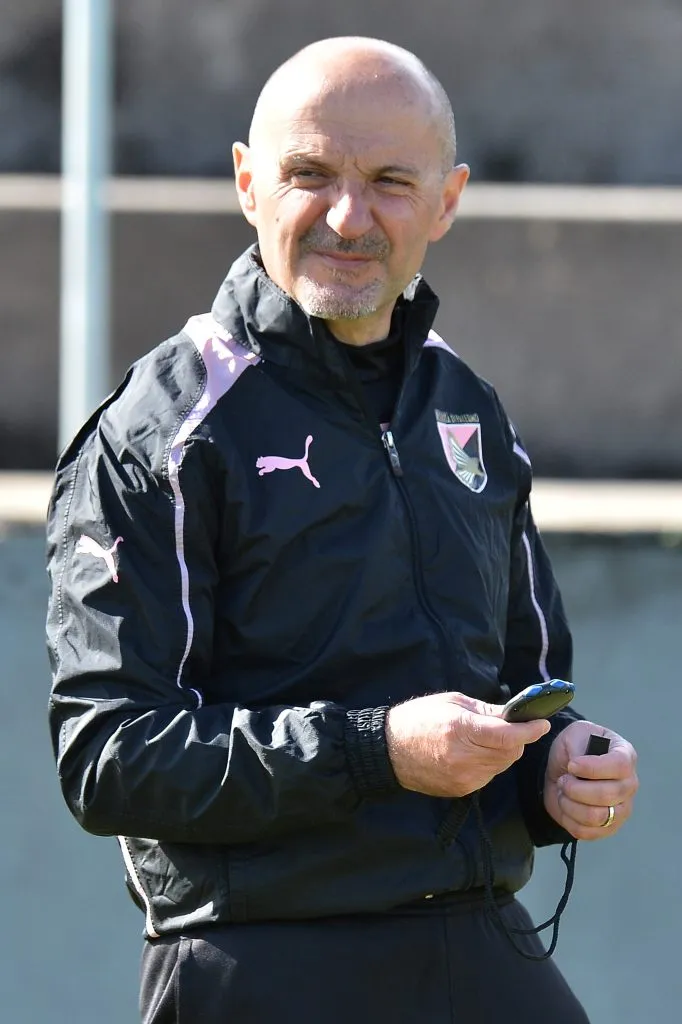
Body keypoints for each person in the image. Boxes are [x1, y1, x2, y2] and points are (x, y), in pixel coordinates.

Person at [46, 36, 639, 1024]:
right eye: (309, 175)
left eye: (389, 182)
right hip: (259, 949)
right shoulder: (160, 432)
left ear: (446, 201)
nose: (347, 217)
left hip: (476, 933)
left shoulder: (467, 406)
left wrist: (563, 768)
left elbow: (529, 693)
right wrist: (375, 748)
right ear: (247, 183)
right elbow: (108, 756)